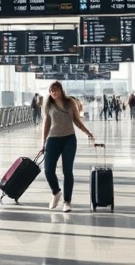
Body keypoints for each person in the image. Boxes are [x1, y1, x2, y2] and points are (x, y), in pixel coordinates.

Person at [40, 82, 94, 213]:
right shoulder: (48, 104)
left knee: (67, 171)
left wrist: (87, 132)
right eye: (51, 90)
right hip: (53, 139)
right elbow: (46, 123)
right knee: (48, 170)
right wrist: (43, 142)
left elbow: (76, 119)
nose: (54, 93)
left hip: (69, 139)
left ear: (61, 90)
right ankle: (56, 192)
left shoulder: (70, 102)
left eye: (56, 90)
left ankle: (67, 201)